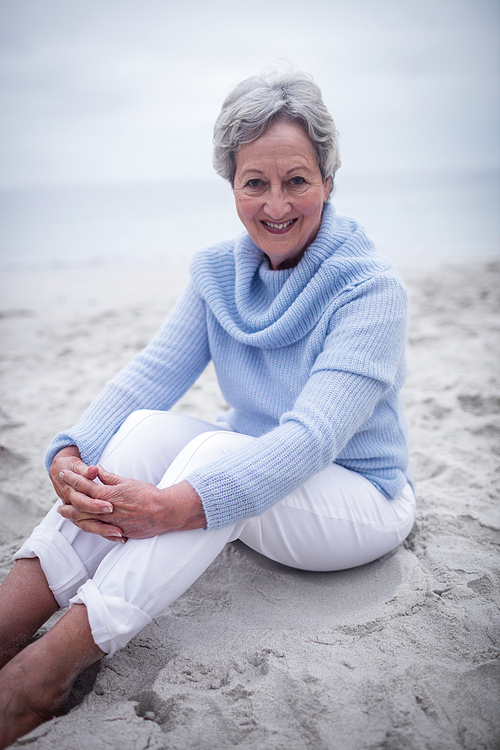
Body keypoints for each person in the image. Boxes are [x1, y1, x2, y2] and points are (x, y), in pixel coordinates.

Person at [0, 70, 415, 748]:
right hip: (255, 481)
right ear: (232, 185)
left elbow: (312, 438)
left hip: (357, 501)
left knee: (217, 452)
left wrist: (173, 507)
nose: (275, 204)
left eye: (297, 180)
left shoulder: (370, 289)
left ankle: (40, 677)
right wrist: (70, 452)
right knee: (140, 431)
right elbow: (150, 376)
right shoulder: (217, 272)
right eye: (256, 182)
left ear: (328, 181)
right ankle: (8, 626)